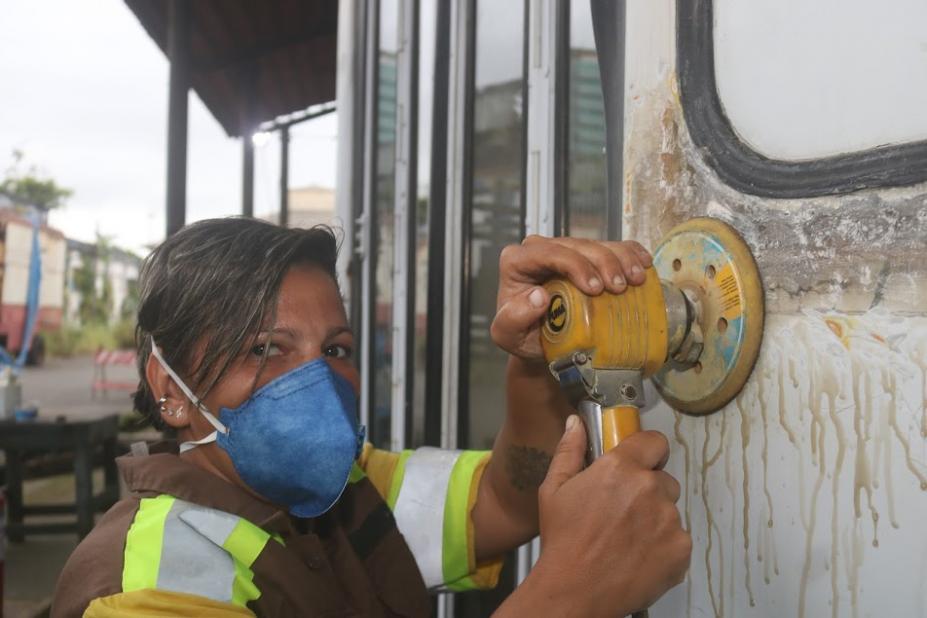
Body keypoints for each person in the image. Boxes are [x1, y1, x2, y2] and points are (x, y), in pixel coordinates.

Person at [52, 218, 691, 617]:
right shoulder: (143, 587)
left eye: (336, 350)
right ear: (169, 386)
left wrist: (534, 358)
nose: (317, 378)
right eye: (266, 348)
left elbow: (505, 502)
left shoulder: (347, 491)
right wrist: (570, 597)